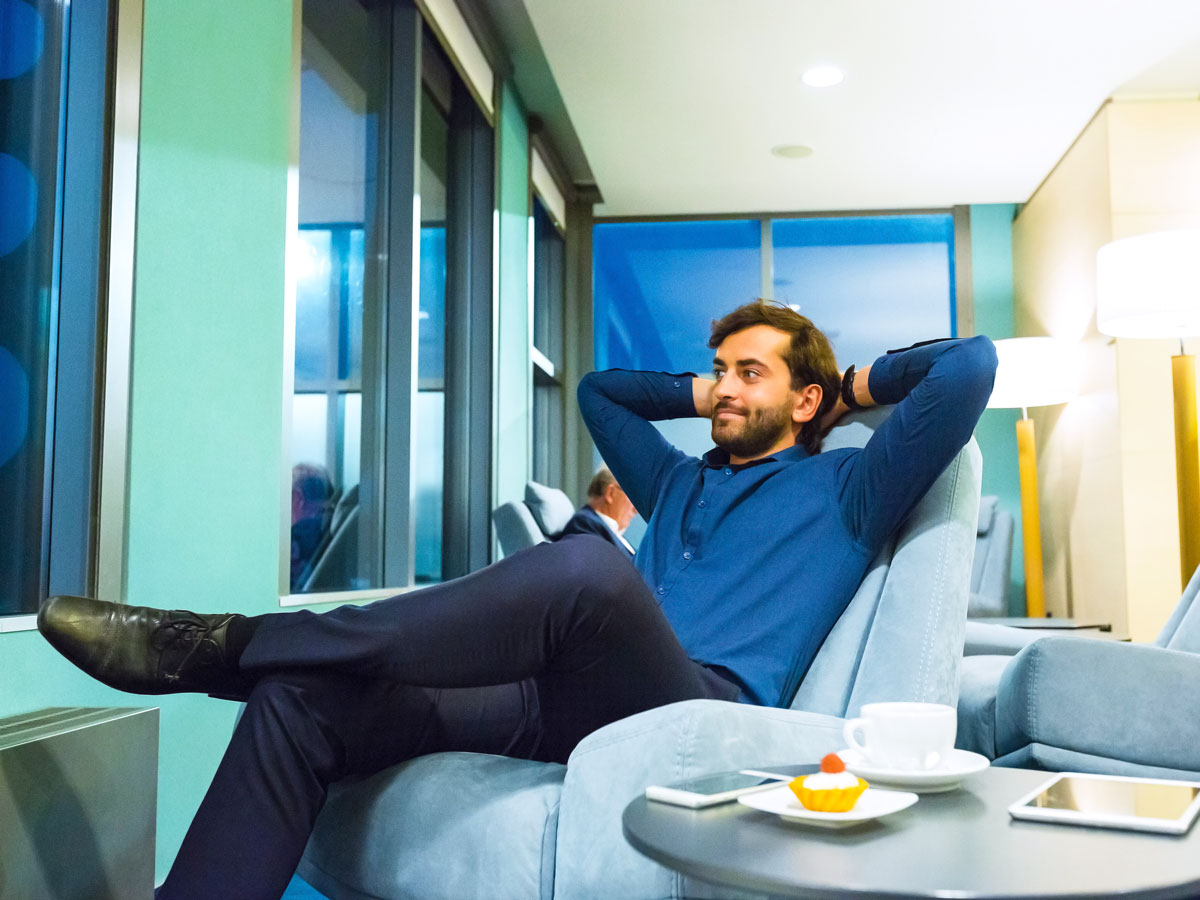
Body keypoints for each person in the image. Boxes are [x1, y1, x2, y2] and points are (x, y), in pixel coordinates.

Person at [38, 300, 996, 900]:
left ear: (807, 399)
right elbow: (600, 393)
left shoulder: (848, 492)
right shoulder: (686, 483)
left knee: (587, 565)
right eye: (718, 371)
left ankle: (215, 647)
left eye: (752, 373)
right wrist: (708, 390)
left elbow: (969, 368)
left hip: (694, 707)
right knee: (303, 702)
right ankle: (244, 693)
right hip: (566, 701)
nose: (723, 390)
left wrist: (854, 385)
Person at [556, 465, 637, 557]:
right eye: (632, 498)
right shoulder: (584, 525)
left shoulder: (606, 530)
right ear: (611, 493)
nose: (636, 510)